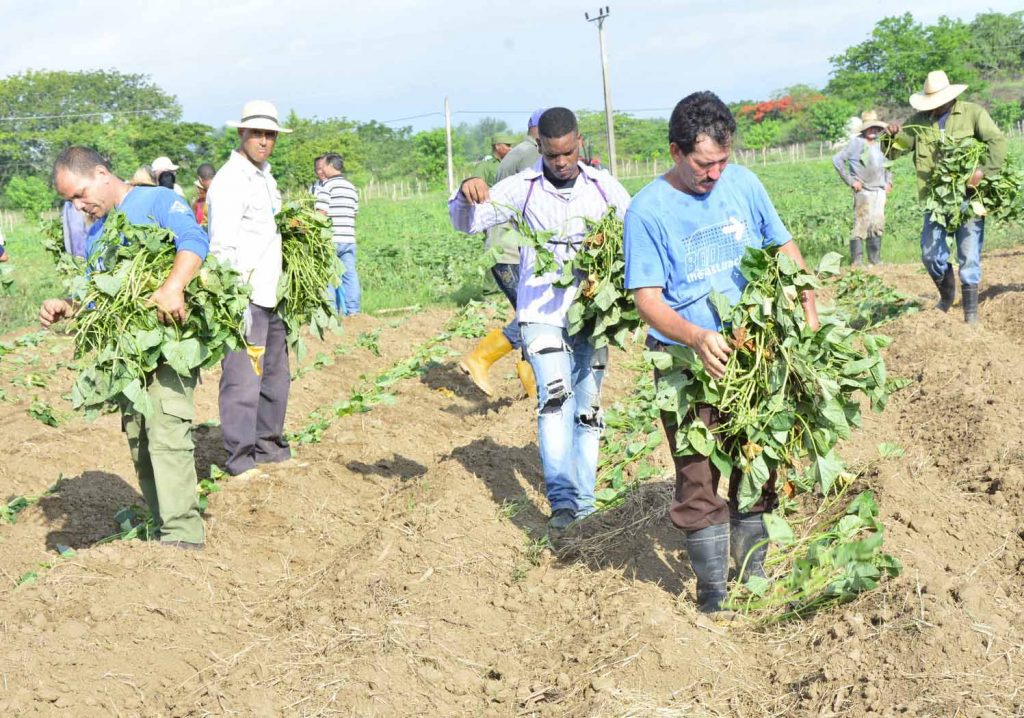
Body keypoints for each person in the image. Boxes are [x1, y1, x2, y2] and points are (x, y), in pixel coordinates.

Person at [623, 92, 820, 613]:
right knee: (697, 479)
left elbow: (781, 246)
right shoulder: (647, 211)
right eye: (703, 164)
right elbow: (647, 298)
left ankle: (752, 578)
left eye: (721, 162)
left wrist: (805, 303)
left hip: (756, 355)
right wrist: (694, 336)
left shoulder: (744, 184)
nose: (714, 175)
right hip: (689, 364)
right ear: (675, 151)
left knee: (759, 467)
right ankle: (714, 597)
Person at [450, 107, 631, 530]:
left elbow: (638, 230)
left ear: (579, 143)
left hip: (592, 314)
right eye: (553, 156)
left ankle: (586, 505)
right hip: (541, 311)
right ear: (541, 150)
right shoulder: (521, 188)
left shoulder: (604, 188)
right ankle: (563, 504)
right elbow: (467, 223)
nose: (562, 162)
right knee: (554, 399)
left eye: (568, 153)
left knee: (587, 408)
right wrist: (464, 192)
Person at [40, 146, 211, 549]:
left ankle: (183, 536)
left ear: (102, 173)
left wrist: (173, 287)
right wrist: (68, 306)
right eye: (70, 201)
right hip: (127, 352)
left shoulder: (158, 199)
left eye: (81, 194)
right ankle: (161, 528)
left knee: (167, 432)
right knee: (140, 439)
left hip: (169, 341)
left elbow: (194, 240)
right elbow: (99, 296)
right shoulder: (97, 232)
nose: (80, 206)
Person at [207, 100, 293, 476]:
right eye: (256, 133)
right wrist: (233, 299)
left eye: (269, 134)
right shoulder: (230, 180)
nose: (263, 140)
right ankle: (241, 460)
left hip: (271, 293)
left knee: (275, 376)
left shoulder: (265, 178)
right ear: (241, 133)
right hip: (246, 296)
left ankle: (269, 449)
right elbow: (221, 245)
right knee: (243, 379)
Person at [883, 70, 1007, 324]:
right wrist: (890, 136)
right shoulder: (918, 122)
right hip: (936, 200)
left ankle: (970, 313)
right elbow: (892, 153)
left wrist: (982, 173)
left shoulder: (972, 113)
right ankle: (947, 295)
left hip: (970, 197)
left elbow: (997, 141)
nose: (934, 106)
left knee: (968, 253)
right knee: (931, 254)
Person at [459, 109, 544, 399]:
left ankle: (534, 388)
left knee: (534, 315)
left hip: (508, 245)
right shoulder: (530, 155)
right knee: (535, 316)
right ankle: (480, 358)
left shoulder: (521, 151)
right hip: (510, 248)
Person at [832, 110, 893, 266]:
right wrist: (851, 181)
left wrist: (889, 181)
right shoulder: (856, 143)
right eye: (869, 127)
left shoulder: (882, 142)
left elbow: (888, 163)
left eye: (875, 127)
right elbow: (837, 160)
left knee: (877, 223)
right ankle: (857, 262)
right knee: (861, 224)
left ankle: (875, 260)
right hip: (863, 190)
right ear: (864, 129)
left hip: (879, 189)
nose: (872, 130)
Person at [315, 152, 361, 315]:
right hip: (348, 238)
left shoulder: (326, 186)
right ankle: (354, 312)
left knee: (328, 277)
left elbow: (321, 214)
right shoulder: (351, 187)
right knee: (350, 276)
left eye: (323, 166)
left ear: (330, 166)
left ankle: (331, 313)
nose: (322, 169)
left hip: (331, 239)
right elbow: (354, 212)